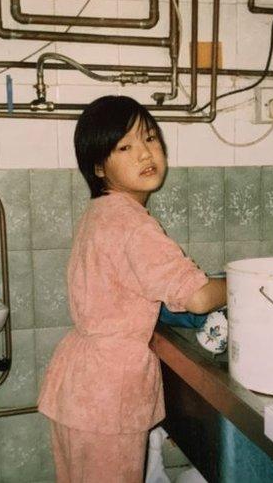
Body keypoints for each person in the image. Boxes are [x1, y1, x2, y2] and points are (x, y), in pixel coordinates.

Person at [38, 96, 226, 482]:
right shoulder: (131, 223)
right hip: (108, 395)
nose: (145, 154)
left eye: (151, 139)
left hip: (82, 383)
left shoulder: (102, 212)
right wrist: (249, 279)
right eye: (125, 147)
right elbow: (199, 297)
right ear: (98, 166)